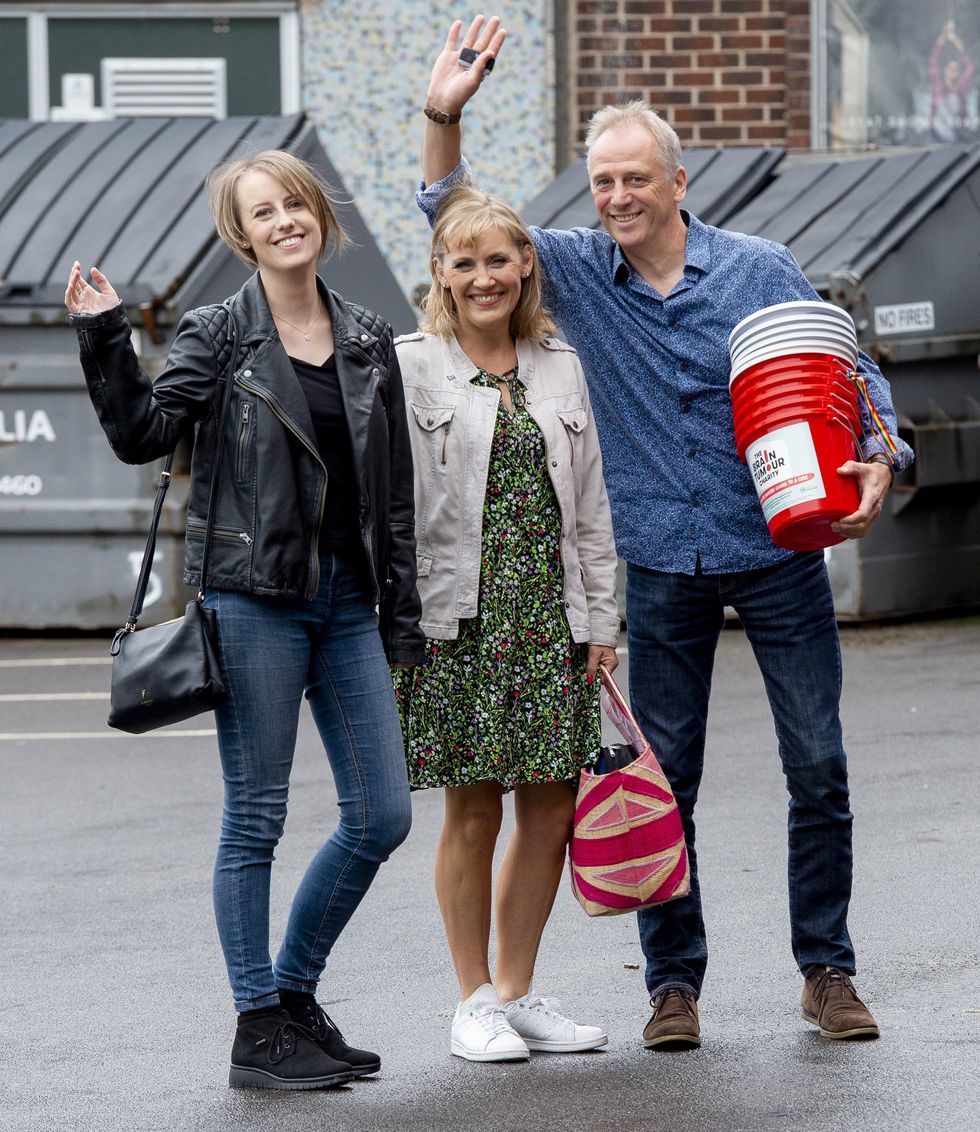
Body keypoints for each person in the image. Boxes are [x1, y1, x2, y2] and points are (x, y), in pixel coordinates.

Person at [416, 16, 915, 1051]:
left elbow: (845, 362)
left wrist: (884, 452)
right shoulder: (572, 274)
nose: (617, 198)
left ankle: (825, 970)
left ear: (677, 180)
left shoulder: (755, 267)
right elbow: (452, 218)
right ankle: (670, 984)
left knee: (815, 762)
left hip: (774, 545)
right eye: (601, 182)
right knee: (661, 777)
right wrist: (440, 115)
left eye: (635, 179)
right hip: (656, 560)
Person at [65, 149, 424, 1090]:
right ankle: (256, 1028)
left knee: (382, 814)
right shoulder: (218, 333)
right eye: (262, 212)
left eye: (294, 203)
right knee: (255, 818)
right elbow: (142, 436)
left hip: (349, 602)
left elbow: (393, 496)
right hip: (252, 595)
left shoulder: (368, 337)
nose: (283, 221)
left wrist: (404, 620)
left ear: (319, 214)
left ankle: (294, 996)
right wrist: (105, 336)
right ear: (242, 233)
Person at [393, 184, 620, 1061]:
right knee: (474, 808)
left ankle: (519, 993)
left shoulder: (560, 365)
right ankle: (472, 999)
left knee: (554, 806)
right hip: (460, 619)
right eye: (465, 263)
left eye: (500, 259)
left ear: (525, 264)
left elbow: (593, 509)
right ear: (441, 275)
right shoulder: (413, 365)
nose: (484, 277)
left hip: (551, 618)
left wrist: (604, 622)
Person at [929, 20, 975, 142]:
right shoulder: (938, 87)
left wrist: (961, 50)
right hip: (938, 137)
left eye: (957, 69)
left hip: (957, 138)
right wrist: (941, 40)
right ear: (944, 70)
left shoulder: (961, 87)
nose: (954, 73)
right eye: (951, 69)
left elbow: (970, 68)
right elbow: (933, 62)